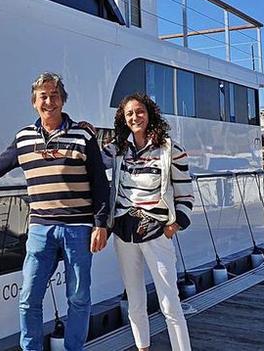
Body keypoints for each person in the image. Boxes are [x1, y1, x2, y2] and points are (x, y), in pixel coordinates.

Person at [0, 72, 110, 351]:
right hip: (40, 228)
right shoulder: (24, 138)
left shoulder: (83, 134)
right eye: (43, 96)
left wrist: (101, 225)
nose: (49, 101)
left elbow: (100, 183)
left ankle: (75, 348)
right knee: (28, 297)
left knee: (78, 297)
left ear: (63, 100)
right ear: (34, 102)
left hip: (78, 228)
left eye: (54, 95)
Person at [102, 93, 193, 351]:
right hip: (124, 232)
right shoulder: (118, 149)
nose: (135, 117)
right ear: (123, 119)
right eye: (129, 113)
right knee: (135, 300)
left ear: (149, 113)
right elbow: (93, 162)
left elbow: (185, 191)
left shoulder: (169, 149)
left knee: (169, 301)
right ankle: (143, 348)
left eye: (139, 111)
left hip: (156, 232)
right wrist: (87, 133)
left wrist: (175, 224)